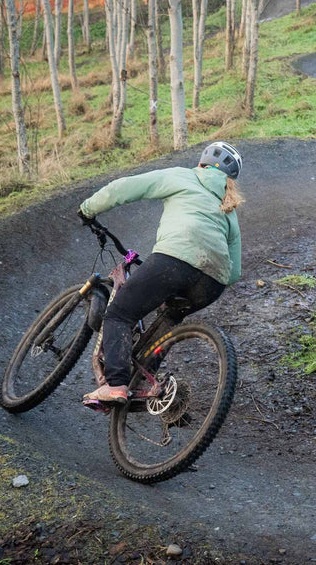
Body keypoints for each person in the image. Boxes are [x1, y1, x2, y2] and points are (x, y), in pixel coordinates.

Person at [77, 141, 244, 408]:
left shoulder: (184, 175)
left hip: (175, 259)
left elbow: (125, 188)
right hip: (212, 283)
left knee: (120, 313)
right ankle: (144, 386)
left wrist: (88, 209)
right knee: (169, 318)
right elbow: (234, 272)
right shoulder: (228, 207)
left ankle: (117, 384)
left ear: (202, 162)